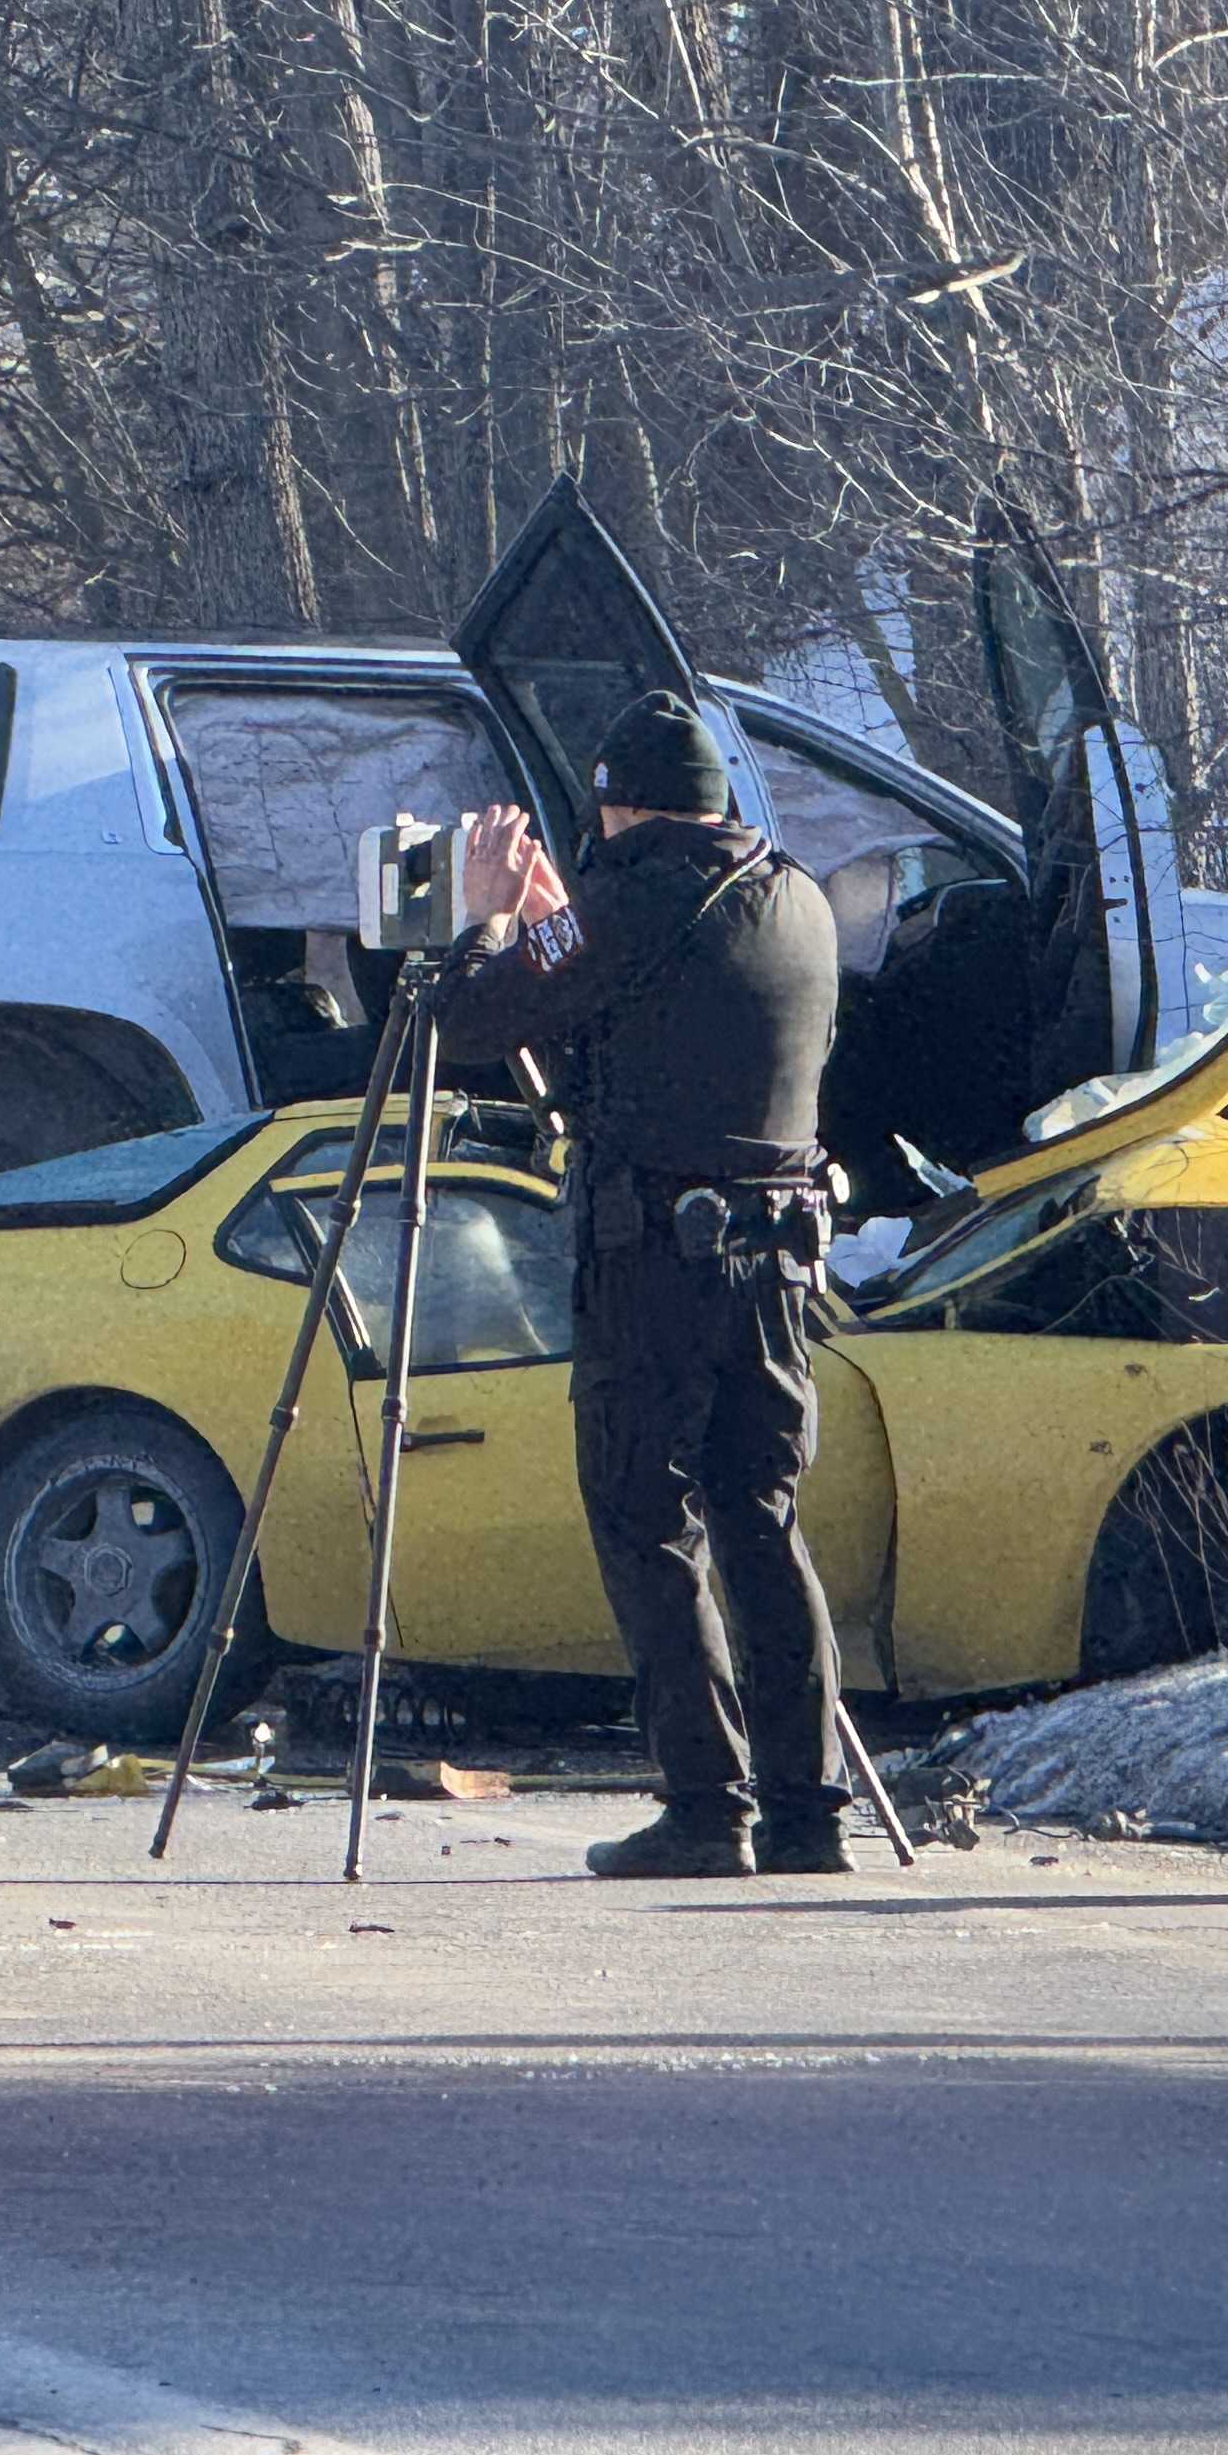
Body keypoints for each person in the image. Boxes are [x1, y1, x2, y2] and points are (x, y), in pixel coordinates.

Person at [432, 689, 854, 1879]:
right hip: (778, 1264)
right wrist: (568, 931)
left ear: (616, 802)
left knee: (647, 1522)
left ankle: (705, 1810)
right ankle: (808, 1814)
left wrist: (487, 919)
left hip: (654, 1265)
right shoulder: (799, 902)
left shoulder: (626, 897)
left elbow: (468, 1017)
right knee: (764, 1524)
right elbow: (668, 1022)